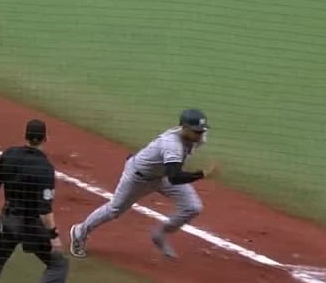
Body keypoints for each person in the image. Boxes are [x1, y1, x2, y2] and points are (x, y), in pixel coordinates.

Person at [69, 109, 220, 259]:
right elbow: (174, 177)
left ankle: (160, 233)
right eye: (196, 131)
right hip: (138, 178)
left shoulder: (198, 138)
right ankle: (79, 231)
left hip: (161, 176)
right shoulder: (171, 145)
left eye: (202, 131)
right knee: (114, 209)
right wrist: (202, 174)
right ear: (184, 128)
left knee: (193, 207)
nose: (200, 134)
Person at [0, 119, 69, 283]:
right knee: (58, 263)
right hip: (30, 225)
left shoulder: (9, 154)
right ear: (45, 139)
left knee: (1, 248)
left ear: (25, 136)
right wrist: (53, 235)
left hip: (9, 217)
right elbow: (44, 209)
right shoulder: (45, 168)